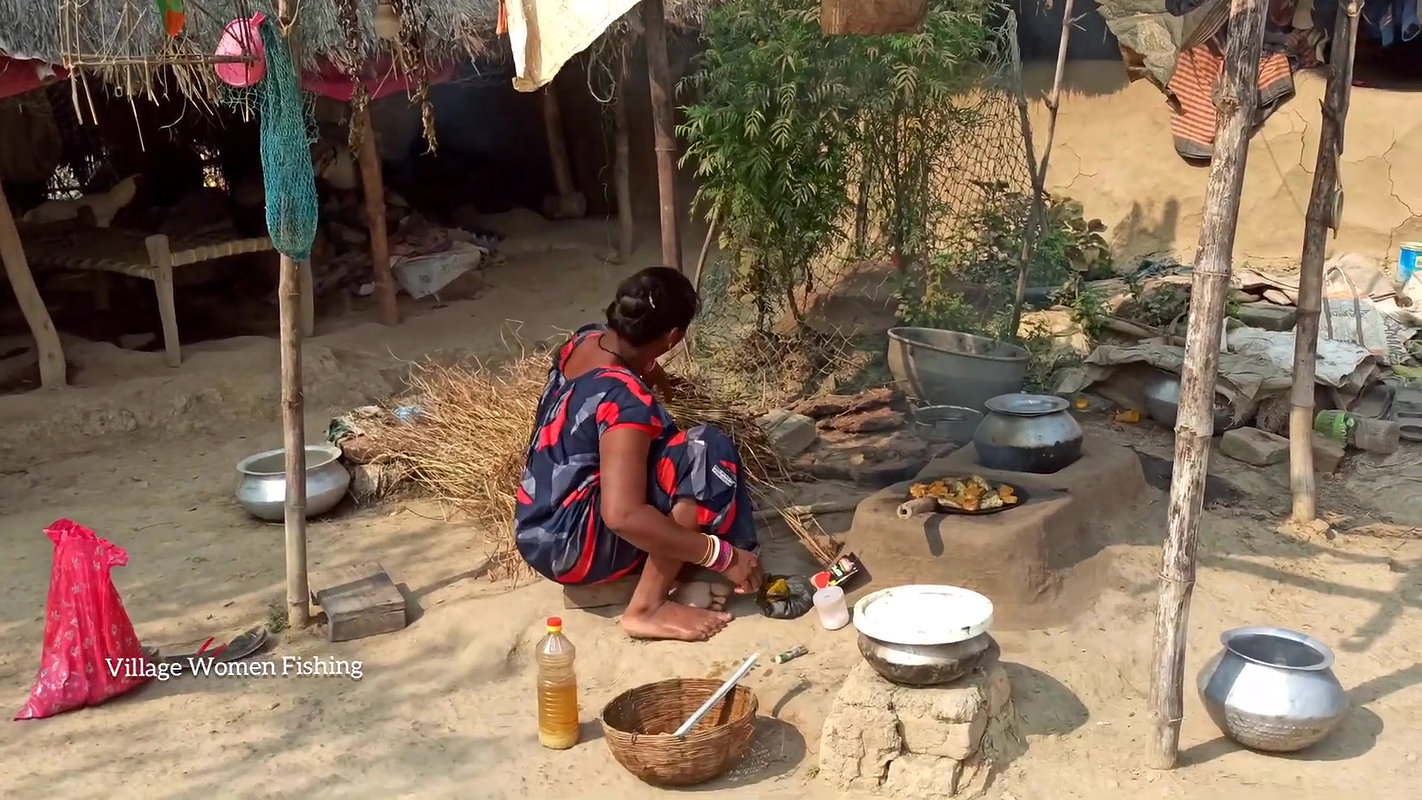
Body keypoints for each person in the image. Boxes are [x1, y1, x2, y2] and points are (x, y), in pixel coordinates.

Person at [514, 267, 763, 641]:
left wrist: (659, 379)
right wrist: (719, 555)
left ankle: (673, 571)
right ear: (674, 336)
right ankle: (647, 609)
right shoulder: (627, 402)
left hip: (539, 528)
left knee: (671, 458)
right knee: (705, 452)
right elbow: (623, 515)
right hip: (576, 550)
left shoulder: (585, 342)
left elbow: (635, 365)